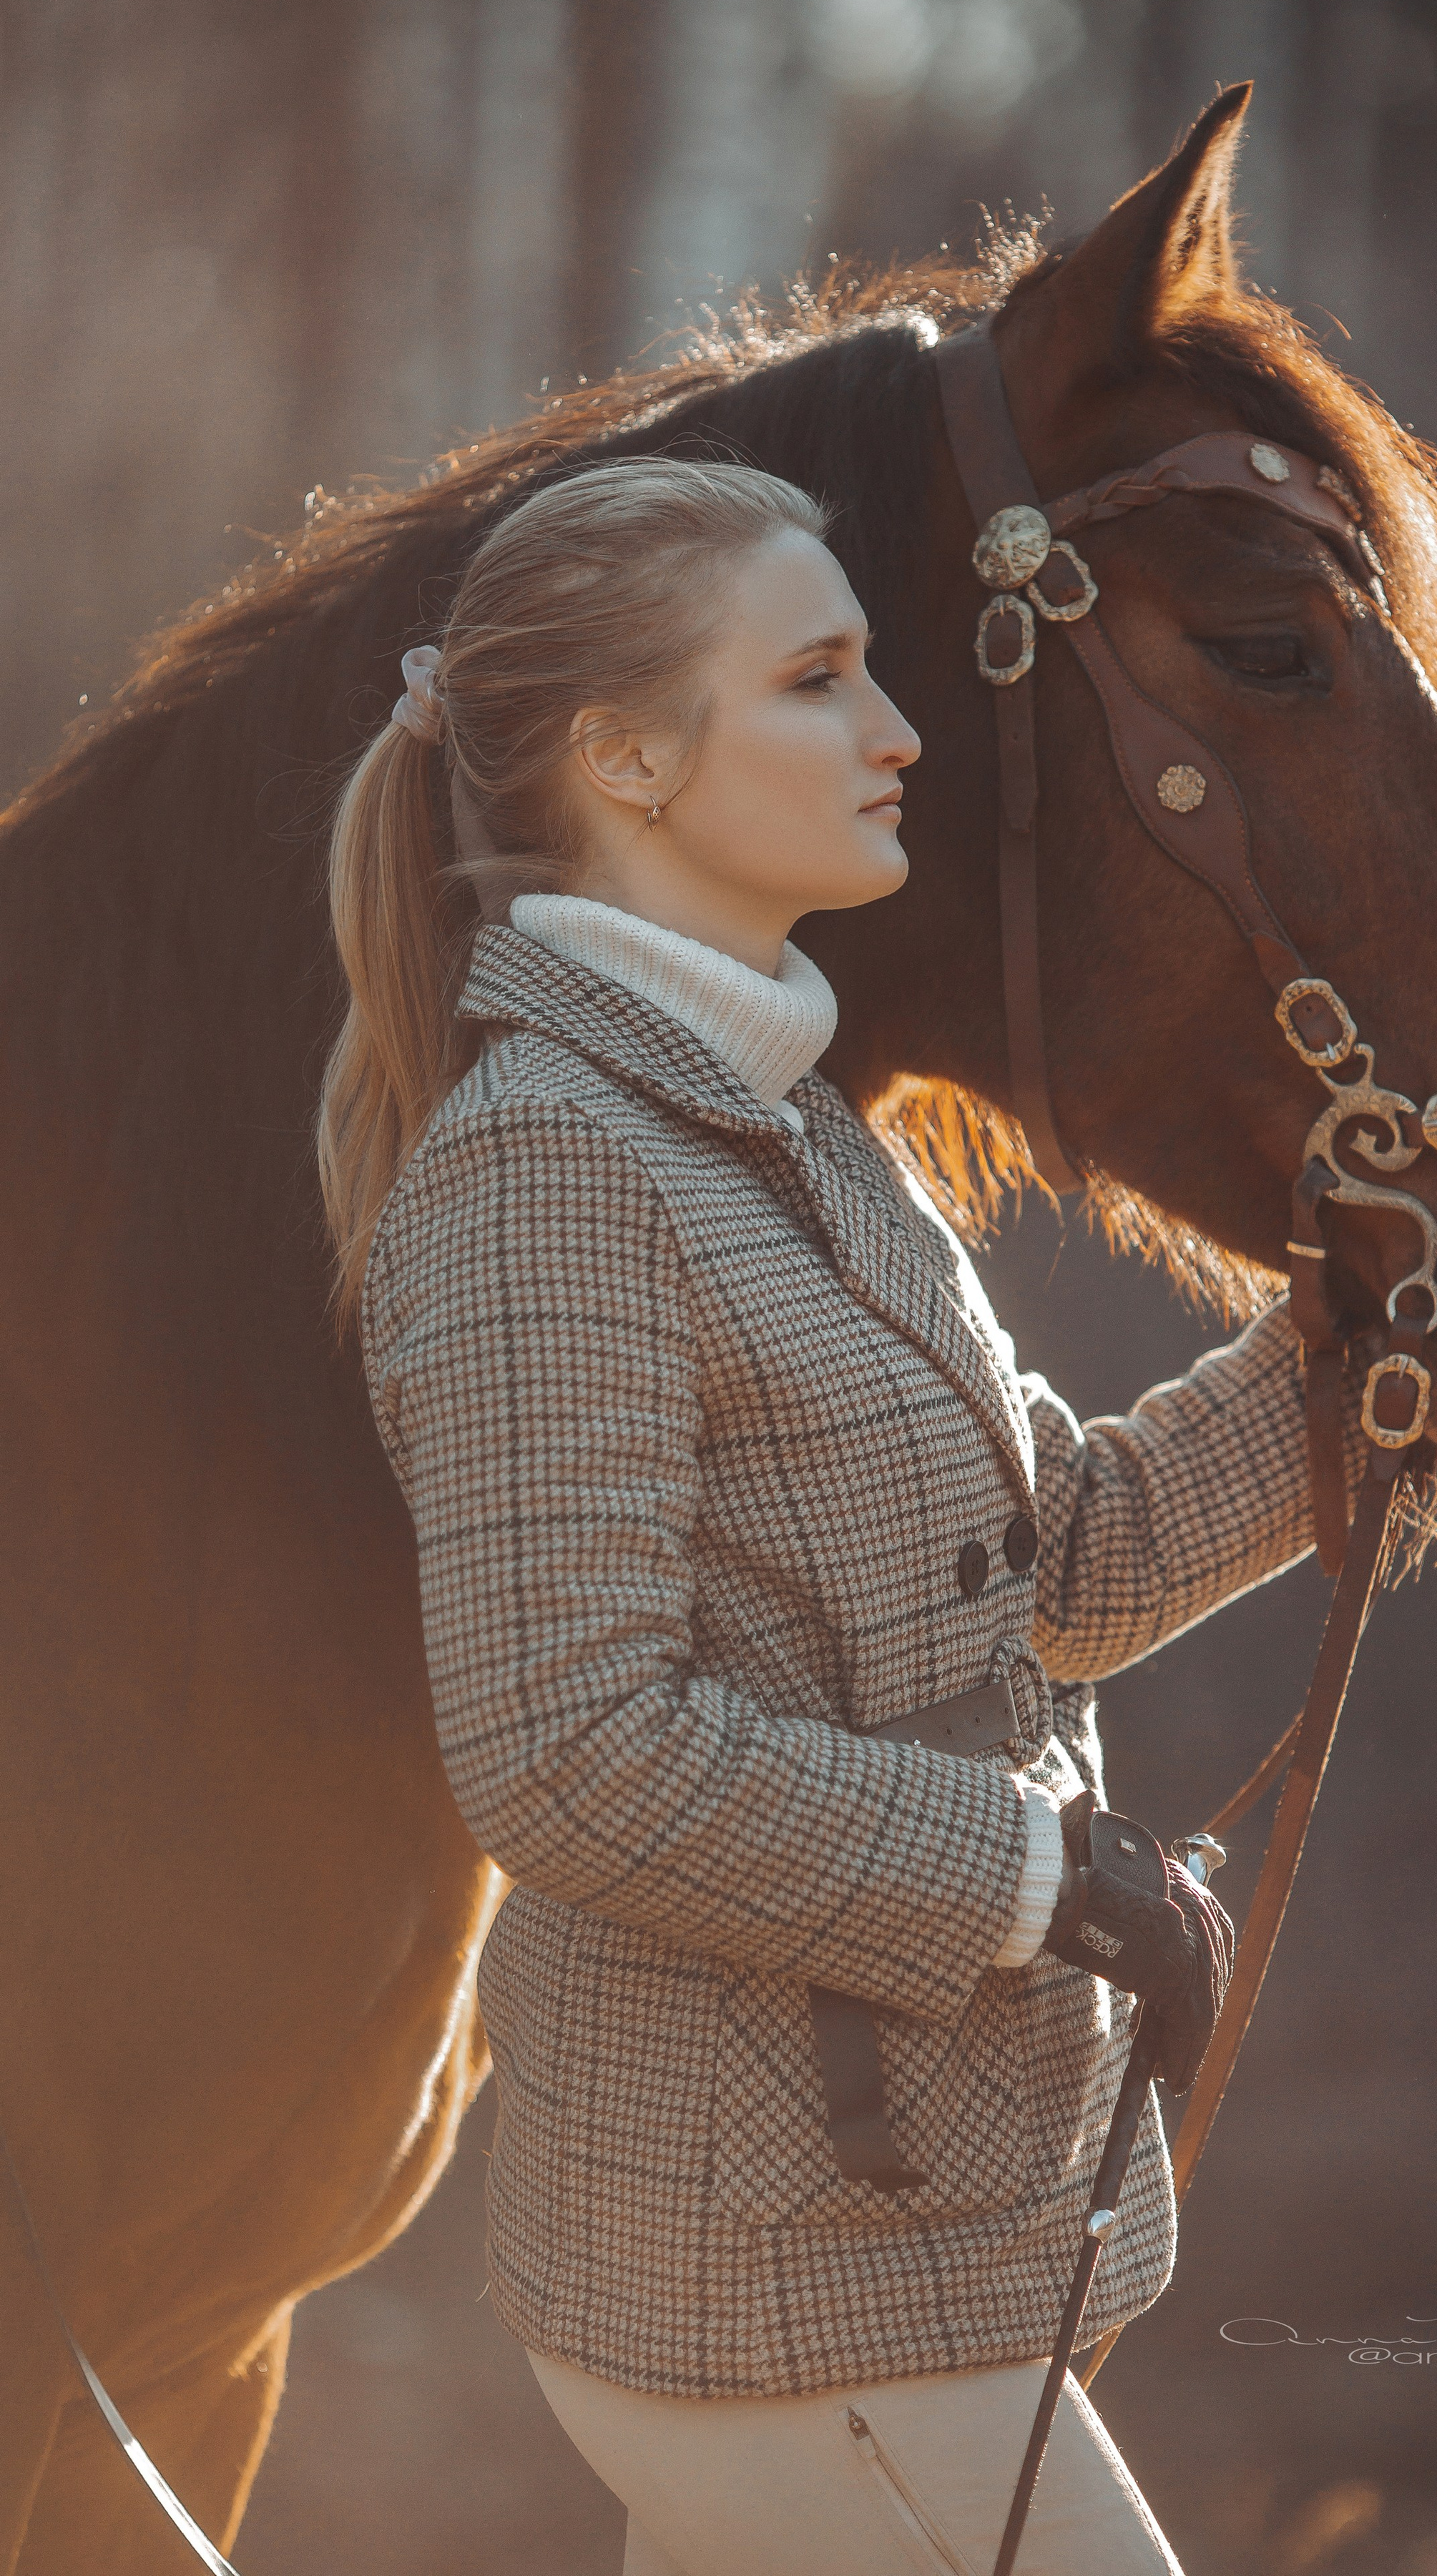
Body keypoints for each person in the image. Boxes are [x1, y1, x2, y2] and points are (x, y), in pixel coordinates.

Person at [318, 457, 1322, 2575]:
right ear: (628, 759)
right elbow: (568, 1749)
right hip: (763, 2269)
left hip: (918, 2230)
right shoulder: (552, 1172)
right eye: (820, 677)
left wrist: (1364, 1366)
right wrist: (1041, 1875)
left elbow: (1056, 1564)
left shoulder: (786, 1128)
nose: (900, 734)